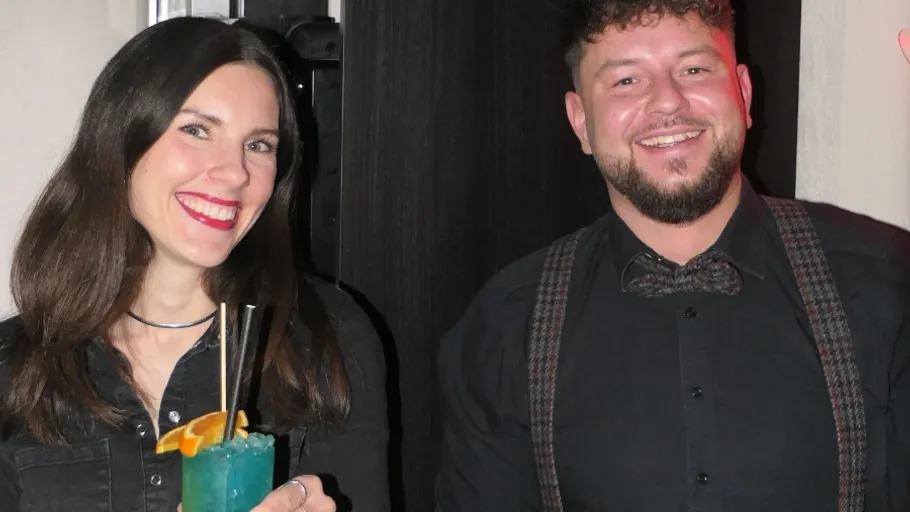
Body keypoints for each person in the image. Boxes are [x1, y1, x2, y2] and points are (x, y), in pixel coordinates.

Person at [435, 1, 909, 511]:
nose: (667, 102)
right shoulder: (507, 325)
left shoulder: (886, 281)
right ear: (580, 121)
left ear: (744, 94)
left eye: (694, 69)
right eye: (625, 81)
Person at [0, 17, 389, 512]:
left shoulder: (329, 336)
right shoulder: (16, 368)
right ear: (120, 141)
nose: (234, 172)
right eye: (197, 129)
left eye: (259, 144)